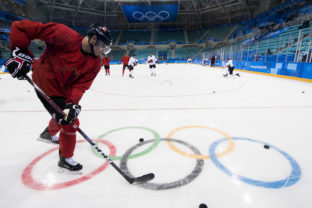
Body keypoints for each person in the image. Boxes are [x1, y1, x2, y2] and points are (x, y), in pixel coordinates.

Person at [4, 20, 112, 174]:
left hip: (63, 89)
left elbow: (80, 86)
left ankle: (48, 133)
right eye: (103, 46)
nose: (103, 50)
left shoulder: (95, 64)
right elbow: (19, 27)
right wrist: (20, 53)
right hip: (45, 82)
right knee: (71, 123)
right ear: (93, 39)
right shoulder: (64, 35)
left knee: (65, 115)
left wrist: (71, 104)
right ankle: (65, 160)